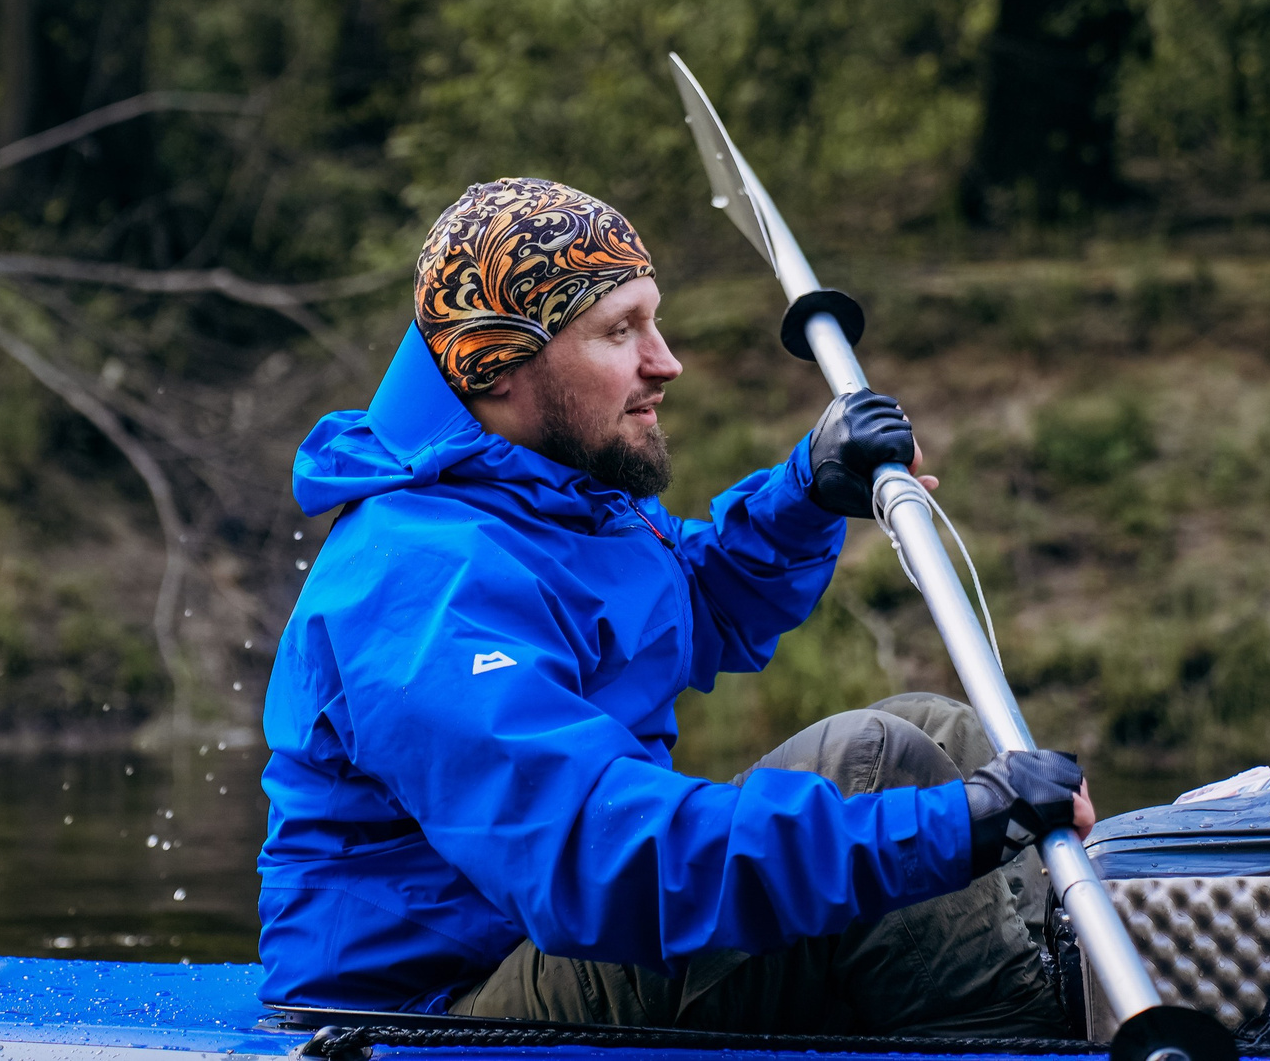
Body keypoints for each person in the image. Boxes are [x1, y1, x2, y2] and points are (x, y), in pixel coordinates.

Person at [256, 177, 1093, 1037]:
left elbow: (687, 603)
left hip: (556, 937)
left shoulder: (558, 494)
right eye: (620, 331)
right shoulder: (417, 584)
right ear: (503, 368)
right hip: (423, 1018)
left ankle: (1053, 977)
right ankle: (1026, 1036)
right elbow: (599, 854)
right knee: (874, 762)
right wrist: (949, 827)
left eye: (652, 319)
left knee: (943, 731)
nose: (666, 361)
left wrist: (803, 493)